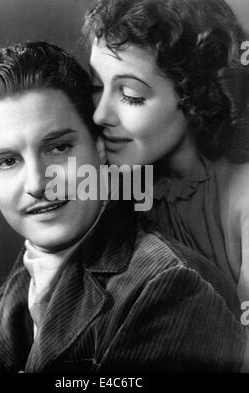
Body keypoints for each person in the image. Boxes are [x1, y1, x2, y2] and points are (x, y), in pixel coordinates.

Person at [0, 41, 245, 373]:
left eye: (59, 147)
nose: (36, 183)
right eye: (7, 161)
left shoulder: (168, 286)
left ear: (99, 145)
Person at [83, 0, 249, 305]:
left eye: (131, 95)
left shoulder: (243, 196)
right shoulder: (119, 184)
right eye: (97, 88)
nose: (100, 115)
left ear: (195, 95)